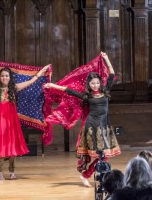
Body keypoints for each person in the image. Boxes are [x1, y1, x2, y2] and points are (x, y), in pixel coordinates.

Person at [44, 52, 121, 187]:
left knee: (105, 156)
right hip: (91, 126)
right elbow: (68, 90)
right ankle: (88, 175)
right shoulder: (86, 96)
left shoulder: (105, 91)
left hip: (104, 126)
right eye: (93, 83)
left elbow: (112, 74)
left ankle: (87, 175)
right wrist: (53, 86)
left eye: (97, 83)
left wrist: (107, 59)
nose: (95, 85)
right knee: (99, 155)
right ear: (89, 84)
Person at [0, 60, 50, 180]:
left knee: (12, 147)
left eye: (6, 75)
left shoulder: (14, 88)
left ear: (10, 77)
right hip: (0, 123)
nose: (4, 77)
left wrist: (41, 71)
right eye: (2, 76)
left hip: (12, 123)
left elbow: (31, 81)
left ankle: (12, 172)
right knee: (1, 147)